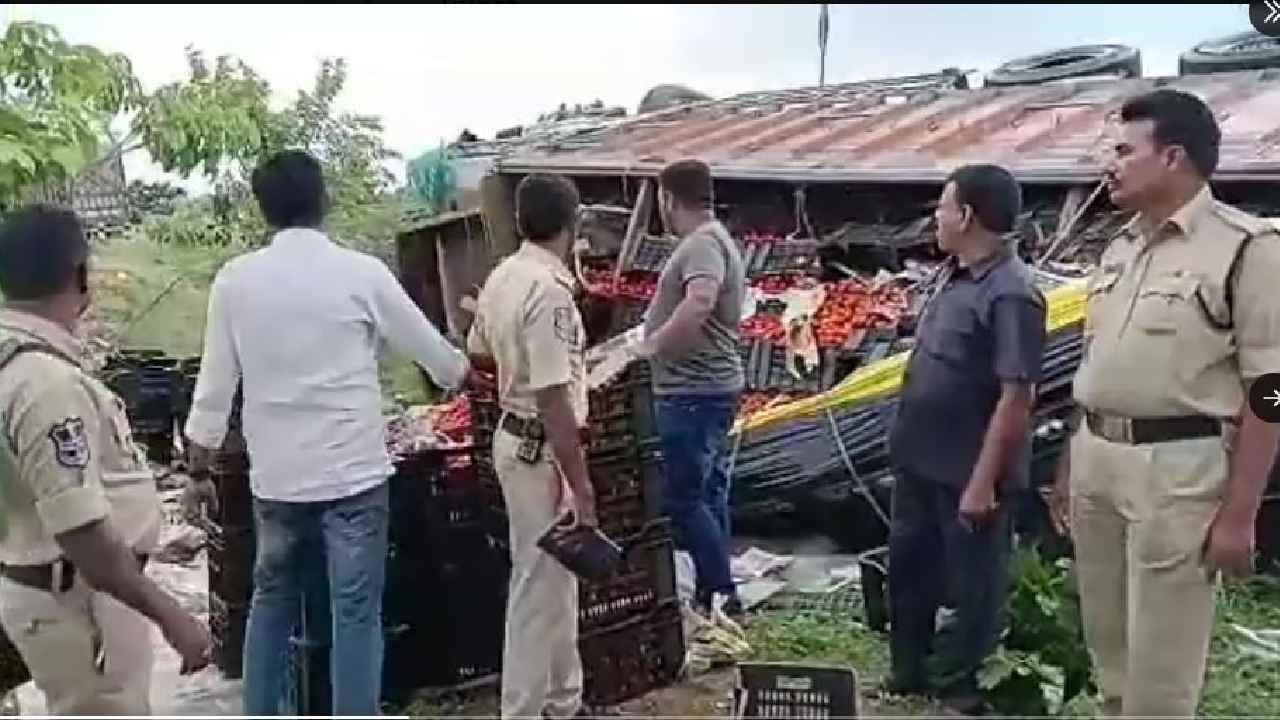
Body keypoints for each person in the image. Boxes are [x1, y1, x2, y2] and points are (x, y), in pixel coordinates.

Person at [183, 150, 483, 716]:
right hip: (354, 476)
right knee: (355, 612)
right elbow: (439, 361)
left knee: (270, 602)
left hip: (277, 480)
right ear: (324, 200)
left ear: (263, 209)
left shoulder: (235, 282)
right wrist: (468, 370)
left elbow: (214, 389)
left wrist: (198, 471)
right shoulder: (360, 273)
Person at [1048, 89, 1280, 718]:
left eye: (1125, 150)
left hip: (1177, 470)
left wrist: (1239, 515)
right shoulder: (1121, 248)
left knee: (1161, 669)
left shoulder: (1246, 248)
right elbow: (1098, 364)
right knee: (1111, 653)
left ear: (1172, 156)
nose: (1110, 164)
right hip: (1098, 458)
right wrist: (1072, 459)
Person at [0, 205, 212, 714]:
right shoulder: (44, 385)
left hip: (55, 587)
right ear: (79, 276)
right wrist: (171, 615)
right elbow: (83, 533)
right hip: (81, 601)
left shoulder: (17, 363)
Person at [885, 164, 1046, 715]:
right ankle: (907, 671)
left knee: (973, 586)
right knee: (909, 568)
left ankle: (959, 689)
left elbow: (1017, 396)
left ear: (968, 216)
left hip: (967, 470)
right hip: (919, 459)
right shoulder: (954, 276)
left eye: (943, 206)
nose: (936, 216)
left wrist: (981, 484)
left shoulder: (1012, 294)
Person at [466, 173, 596, 720]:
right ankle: (520, 710)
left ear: (521, 223)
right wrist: (580, 484)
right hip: (539, 449)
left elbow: (476, 349)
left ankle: (564, 702)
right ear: (572, 225)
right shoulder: (547, 293)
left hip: (517, 439)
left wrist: (512, 363)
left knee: (556, 579)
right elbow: (552, 397)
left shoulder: (504, 277)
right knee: (536, 588)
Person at [632, 158, 746, 615]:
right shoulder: (713, 240)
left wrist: (653, 346)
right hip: (707, 388)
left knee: (683, 498)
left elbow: (700, 302)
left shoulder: (701, 245)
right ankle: (713, 590)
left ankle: (720, 591)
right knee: (708, 493)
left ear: (667, 199)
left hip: (692, 392)